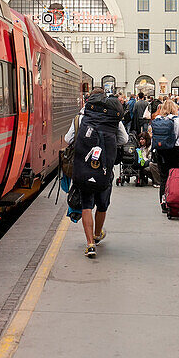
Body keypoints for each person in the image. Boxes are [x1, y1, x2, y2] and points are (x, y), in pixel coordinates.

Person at [65, 87, 128, 257]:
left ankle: (90, 244)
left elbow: (68, 139)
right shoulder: (112, 118)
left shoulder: (80, 118)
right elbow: (124, 139)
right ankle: (97, 234)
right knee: (102, 205)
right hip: (105, 168)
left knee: (86, 205)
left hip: (84, 167)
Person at [151, 99, 179, 212]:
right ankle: (171, 200)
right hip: (175, 151)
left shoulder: (157, 119)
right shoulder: (178, 121)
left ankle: (163, 202)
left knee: (163, 177)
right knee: (173, 177)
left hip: (161, 150)